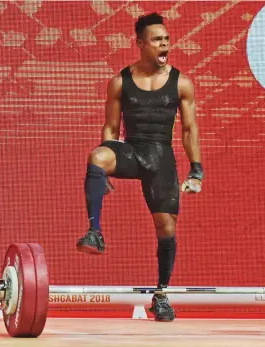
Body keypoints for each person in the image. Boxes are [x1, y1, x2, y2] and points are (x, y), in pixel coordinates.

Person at [76, 12, 204, 322]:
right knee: (96, 156)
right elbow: (110, 126)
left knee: (167, 228)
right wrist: (105, 163)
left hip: (161, 158)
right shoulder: (120, 81)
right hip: (132, 151)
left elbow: (189, 130)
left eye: (167, 40)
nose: (165, 45)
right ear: (141, 44)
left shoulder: (181, 83)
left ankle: (161, 295)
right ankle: (95, 232)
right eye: (158, 40)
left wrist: (196, 169)